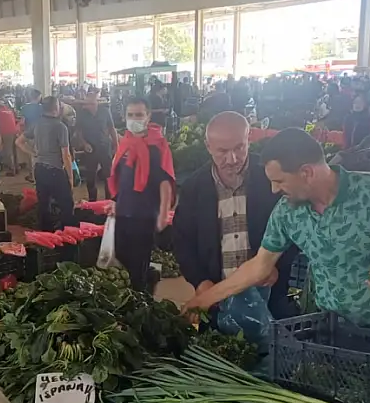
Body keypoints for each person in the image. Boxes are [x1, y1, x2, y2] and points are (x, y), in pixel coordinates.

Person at [183, 128, 370, 334]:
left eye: (280, 181)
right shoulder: (287, 212)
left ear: (306, 172)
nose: (274, 189)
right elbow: (259, 266)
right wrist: (204, 299)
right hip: (330, 327)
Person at [172, 112, 298, 319]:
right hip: (216, 299)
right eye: (222, 151)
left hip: (270, 296)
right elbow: (182, 241)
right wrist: (201, 282)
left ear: (249, 139)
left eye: (239, 148)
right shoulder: (193, 188)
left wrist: (276, 266)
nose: (232, 159)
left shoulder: (271, 178)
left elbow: (294, 230)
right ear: (208, 146)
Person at [109, 97, 175, 292]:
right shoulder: (126, 142)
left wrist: (163, 213)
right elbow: (119, 175)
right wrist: (114, 201)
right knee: (121, 258)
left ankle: (141, 297)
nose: (134, 119)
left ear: (148, 116)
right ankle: (149, 280)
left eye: (139, 115)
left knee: (138, 265)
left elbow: (165, 181)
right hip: (123, 211)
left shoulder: (158, 146)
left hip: (145, 214)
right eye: (130, 115)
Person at [17, 96, 75, 231]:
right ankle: (68, 237)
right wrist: (70, 178)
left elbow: (19, 141)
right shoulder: (60, 127)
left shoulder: (37, 124)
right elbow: (66, 155)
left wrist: (33, 153)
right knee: (66, 204)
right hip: (55, 171)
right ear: (56, 108)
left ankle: (45, 235)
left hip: (39, 169)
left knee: (44, 204)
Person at [75, 89, 119, 201]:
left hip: (104, 147)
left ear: (96, 103)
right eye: (87, 103)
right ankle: (92, 201)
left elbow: (111, 128)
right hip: (90, 149)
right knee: (90, 176)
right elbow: (78, 132)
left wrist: (117, 145)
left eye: (91, 103)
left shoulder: (105, 111)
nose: (88, 106)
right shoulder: (82, 114)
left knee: (108, 175)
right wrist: (84, 144)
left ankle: (108, 200)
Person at [0, 101, 19, 176]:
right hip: (14, 131)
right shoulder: (9, 111)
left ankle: (12, 170)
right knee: (14, 151)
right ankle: (16, 168)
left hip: (6, 132)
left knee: (8, 152)